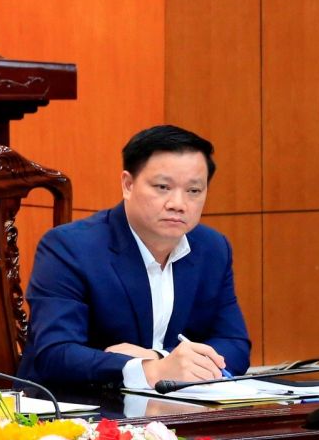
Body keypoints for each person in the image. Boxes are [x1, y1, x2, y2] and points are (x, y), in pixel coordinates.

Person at [18, 124, 251, 391]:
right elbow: (55, 354)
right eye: (163, 187)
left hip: (174, 405)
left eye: (194, 191)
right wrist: (148, 369)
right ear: (128, 185)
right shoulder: (69, 247)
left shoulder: (212, 248)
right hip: (79, 405)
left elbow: (235, 345)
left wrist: (158, 360)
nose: (178, 204)